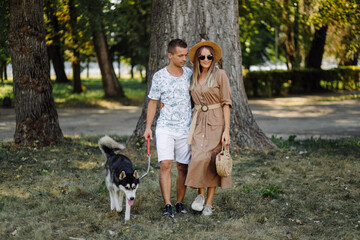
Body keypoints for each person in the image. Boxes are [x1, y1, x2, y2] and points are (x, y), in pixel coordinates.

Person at [143, 39, 192, 218]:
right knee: (165, 164)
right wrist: (148, 127)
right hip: (165, 127)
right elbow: (153, 102)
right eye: (180, 55)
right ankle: (168, 205)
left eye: (186, 55)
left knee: (182, 167)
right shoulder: (159, 76)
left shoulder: (189, 74)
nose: (184, 58)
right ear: (170, 55)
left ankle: (179, 202)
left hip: (186, 128)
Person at [185, 40, 232, 216]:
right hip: (198, 122)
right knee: (198, 157)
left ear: (214, 58)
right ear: (198, 58)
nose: (206, 59)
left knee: (213, 162)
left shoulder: (220, 75)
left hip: (216, 121)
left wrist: (226, 130)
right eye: (202, 56)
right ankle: (200, 194)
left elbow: (226, 103)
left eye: (209, 56)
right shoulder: (193, 77)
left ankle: (209, 204)